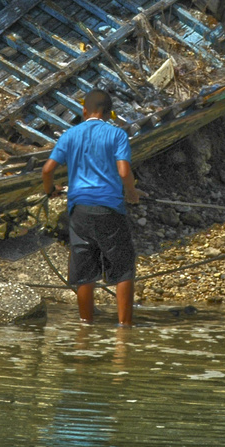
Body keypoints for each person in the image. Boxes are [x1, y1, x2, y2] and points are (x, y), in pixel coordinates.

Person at [42, 89, 143, 325]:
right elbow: (124, 172)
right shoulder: (117, 135)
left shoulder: (70, 134)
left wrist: (50, 190)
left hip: (79, 210)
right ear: (109, 114)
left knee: (84, 270)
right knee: (123, 268)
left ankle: (85, 326)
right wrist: (132, 193)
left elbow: (47, 170)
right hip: (109, 208)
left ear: (84, 110)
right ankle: (124, 328)